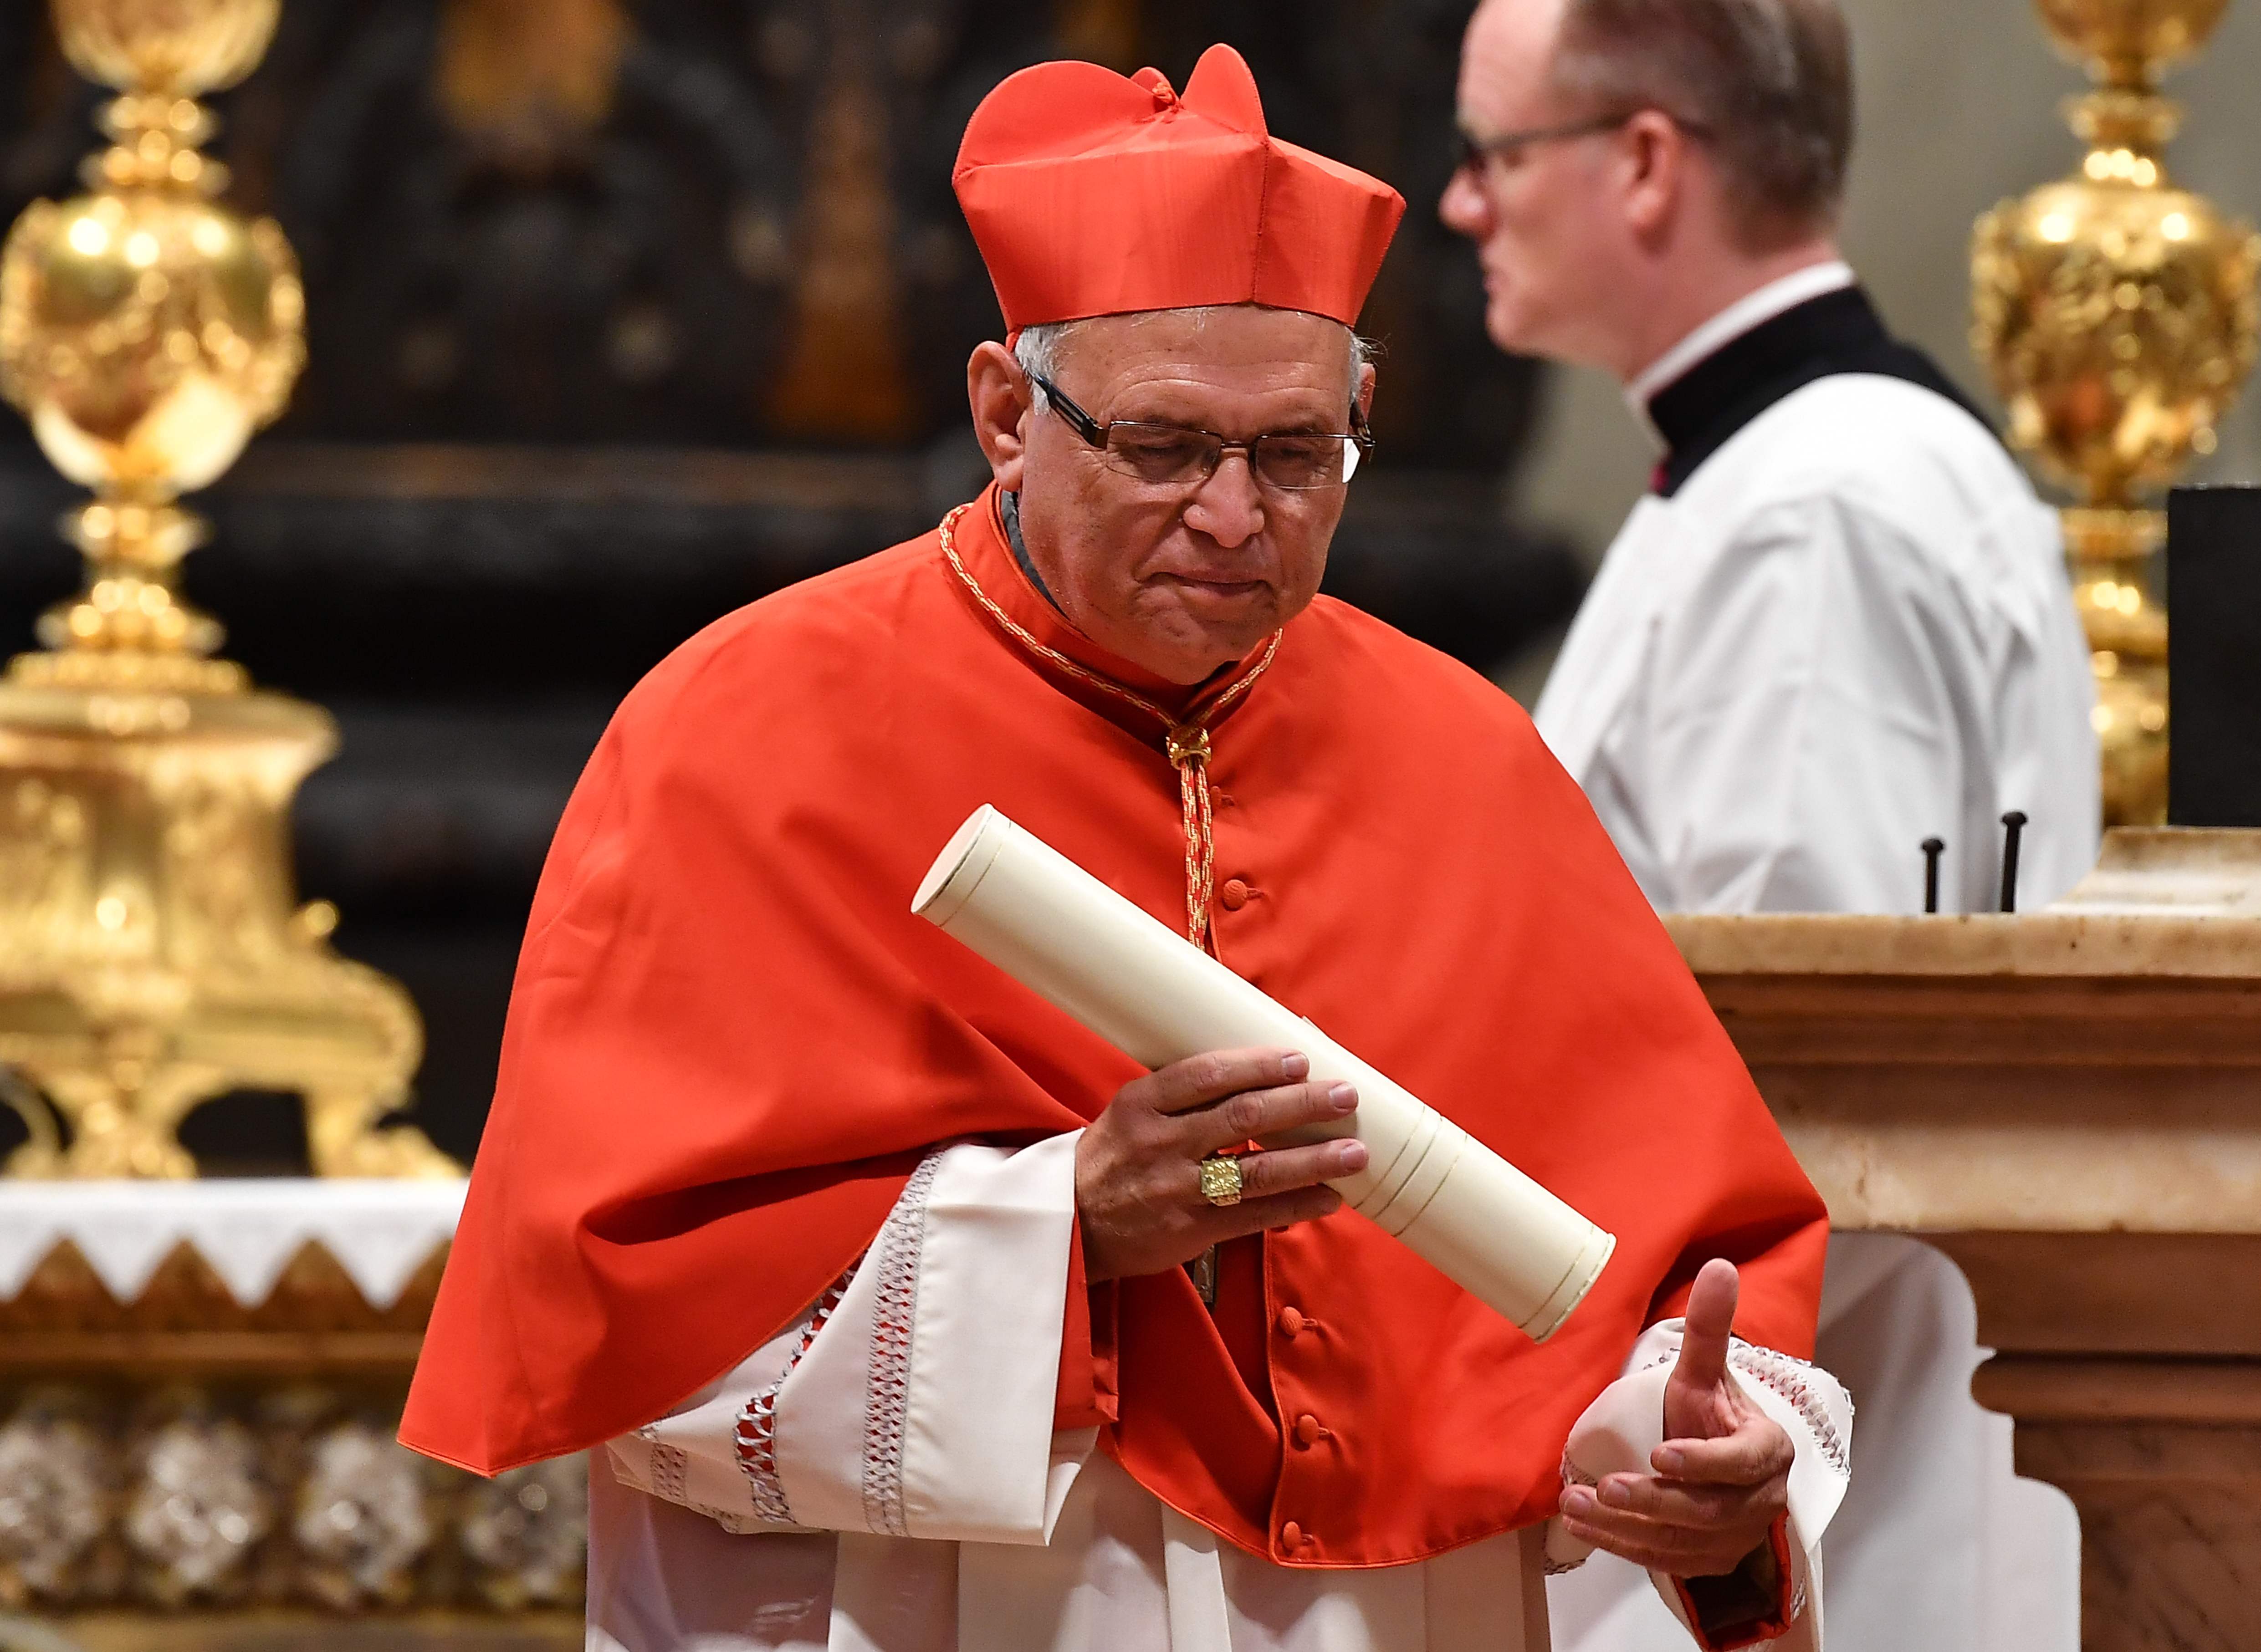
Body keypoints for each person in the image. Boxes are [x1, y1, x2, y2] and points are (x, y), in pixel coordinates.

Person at [401, 45, 1851, 1652]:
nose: (1236, 515)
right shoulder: (739, 733)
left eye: (1297, 454)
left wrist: (1695, 1458)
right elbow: (613, 1344)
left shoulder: (1463, 755)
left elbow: (1679, 1277)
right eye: (1164, 447)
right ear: (1005, 415)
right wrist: (1068, 1227)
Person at [1441, 3, 2097, 1650]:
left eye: (1491, 154)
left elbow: (1791, 1076)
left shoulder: (1813, 509)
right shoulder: (1795, 472)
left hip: (1781, 1465)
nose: (1461, 204)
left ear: (1645, 163)